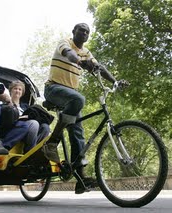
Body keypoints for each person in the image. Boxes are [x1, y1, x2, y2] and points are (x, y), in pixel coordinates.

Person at [42, 23, 127, 194]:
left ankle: (80, 179)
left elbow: (99, 67)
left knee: (78, 134)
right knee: (79, 99)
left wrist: (115, 81)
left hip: (70, 98)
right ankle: (52, 143)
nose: (84, 33)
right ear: (73, 32)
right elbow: (70, 54)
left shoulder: (87, 52)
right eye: (81, 30)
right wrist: (81, 62)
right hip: (53, 89)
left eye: (87, 32)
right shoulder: (65, 42)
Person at [9, 80, 50, 148]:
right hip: (15, 127)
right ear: (11, 90)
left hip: (30, 130)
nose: (17, 91)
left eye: (20, 89)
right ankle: (29, 150)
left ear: (22, 93)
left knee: (45, 127)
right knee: (34, 123)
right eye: (15, 88)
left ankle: (36, 149)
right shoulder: (6, 103)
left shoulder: (26, 106)